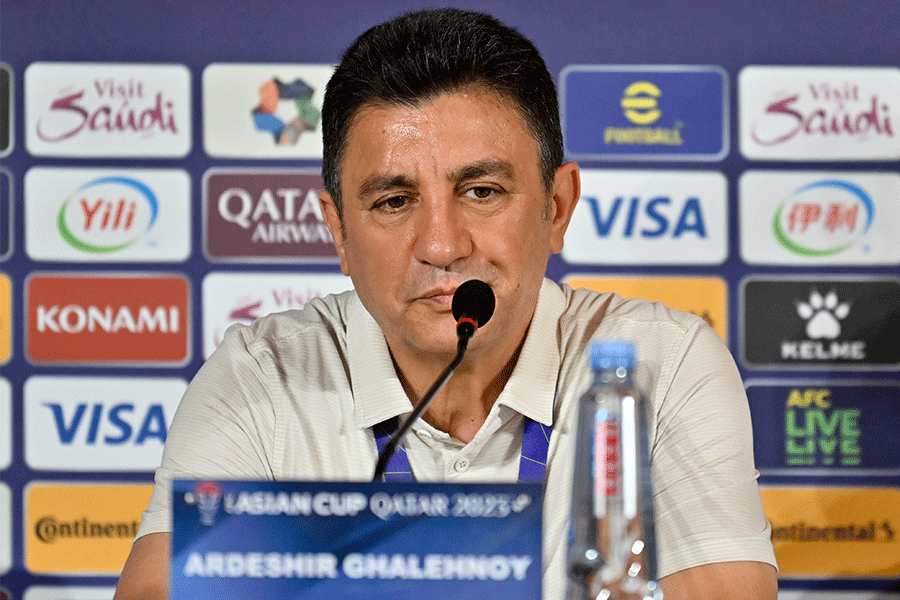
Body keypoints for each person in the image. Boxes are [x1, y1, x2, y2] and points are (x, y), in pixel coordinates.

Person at [114, 8, 777, 600]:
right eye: (394, 201)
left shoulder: (659, 365)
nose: (441, 245)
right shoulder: (263, 375)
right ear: (338, 232)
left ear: (556, 207)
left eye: (481, 191)